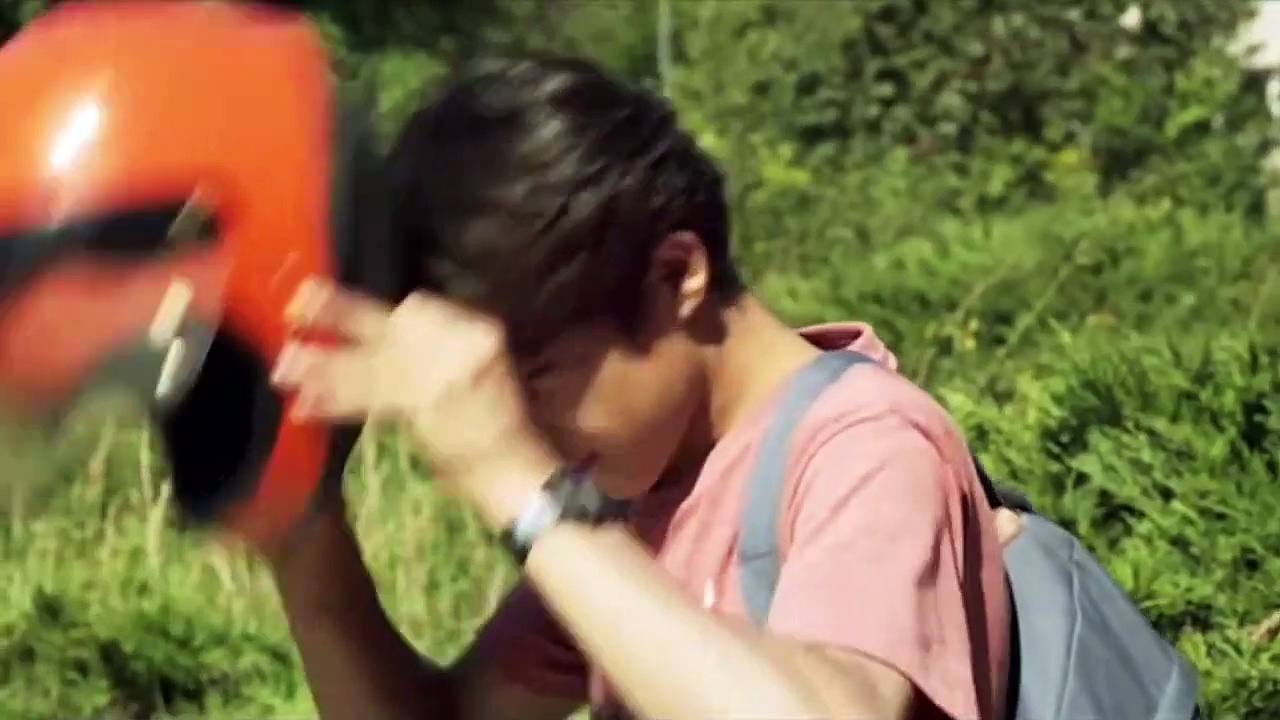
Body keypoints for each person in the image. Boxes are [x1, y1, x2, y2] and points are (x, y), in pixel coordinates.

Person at [265, 55, 1020, 720]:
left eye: (533, 376)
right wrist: (302, 530)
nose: (517, 423)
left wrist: (517, 483)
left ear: (676, 274)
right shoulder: (639, 501)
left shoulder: (866, 446)